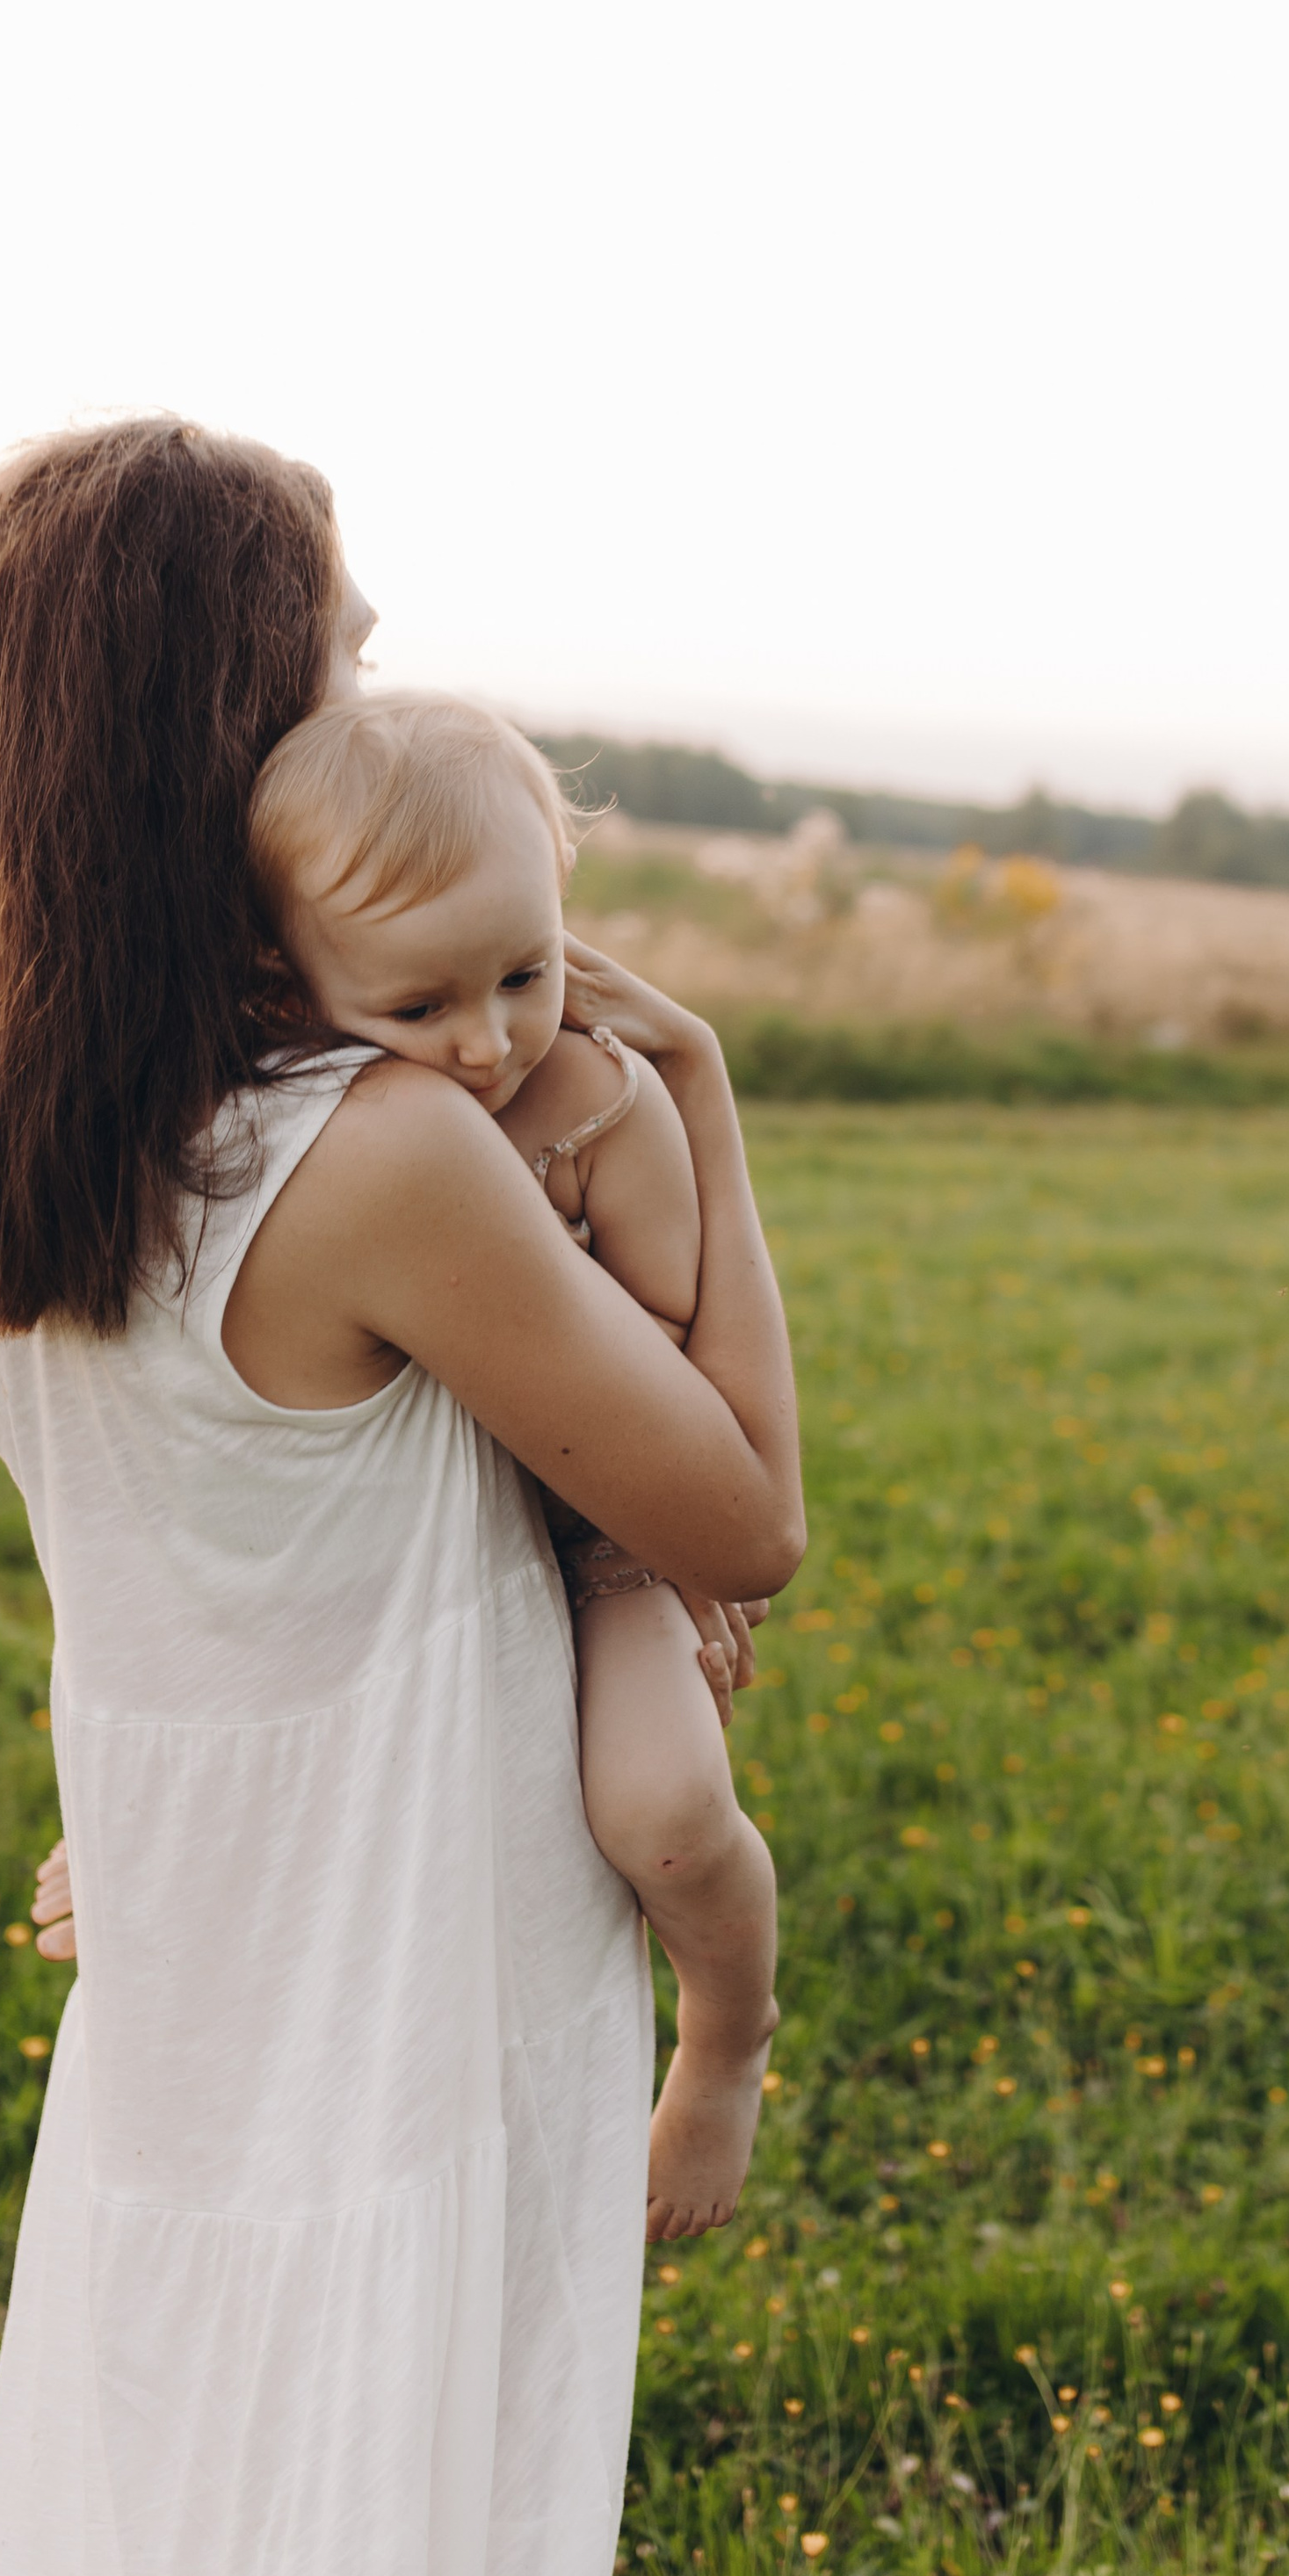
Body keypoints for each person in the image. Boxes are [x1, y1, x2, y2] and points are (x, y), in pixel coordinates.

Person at [0, 417, 804, 2576]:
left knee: (168, 2552)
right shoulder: (377, 1156)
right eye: (341, 668)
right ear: (232, 743)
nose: (381, 702)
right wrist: (699, 1103)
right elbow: (741, 1521)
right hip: (413, 1950)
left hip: (200, 1955)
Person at [243, 687, 779, 2243]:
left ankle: (727, 2034)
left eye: (525, 975)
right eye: (418, 1007)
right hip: (377, 1550)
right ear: (287, 971)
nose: (486, 1041)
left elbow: (675, 1338)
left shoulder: (598, 1103)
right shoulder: (293, 1122)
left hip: (593, 1531)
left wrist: (524, 1311)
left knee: (666, 1807)